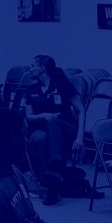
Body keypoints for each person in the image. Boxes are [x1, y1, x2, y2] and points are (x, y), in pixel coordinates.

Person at [16, 55, 90, 205]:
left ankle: (54, 167)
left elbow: (81, 110)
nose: (29, 69)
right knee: (42, 137)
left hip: (66, 129)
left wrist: (80, 137)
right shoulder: (31, 89)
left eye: (33, 66)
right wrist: (44, 115)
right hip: (41, 130)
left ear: (42, 68)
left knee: (52, 121)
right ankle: (52, 187)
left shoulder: (63, 85)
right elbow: (29, 117)